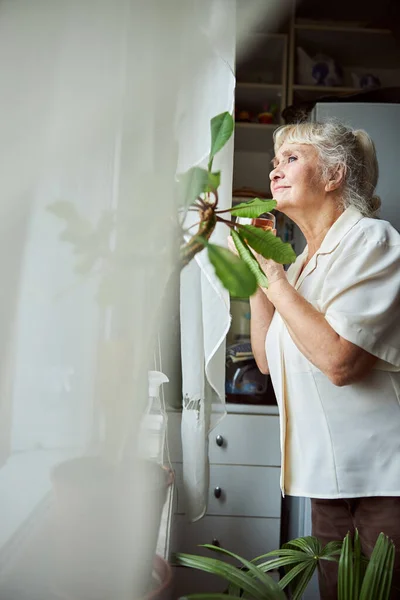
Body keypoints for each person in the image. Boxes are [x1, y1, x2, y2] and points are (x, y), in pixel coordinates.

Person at [229, 120, 400, 599]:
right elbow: (265, 360)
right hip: (327, 479)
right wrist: (257, 272)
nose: (274, 172)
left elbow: (340, 362)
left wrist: (275, 277)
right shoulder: (302, 263)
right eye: (274, 163)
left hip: (384, 482)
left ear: (334, 176)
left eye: (291, 158)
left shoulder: (373, 241)